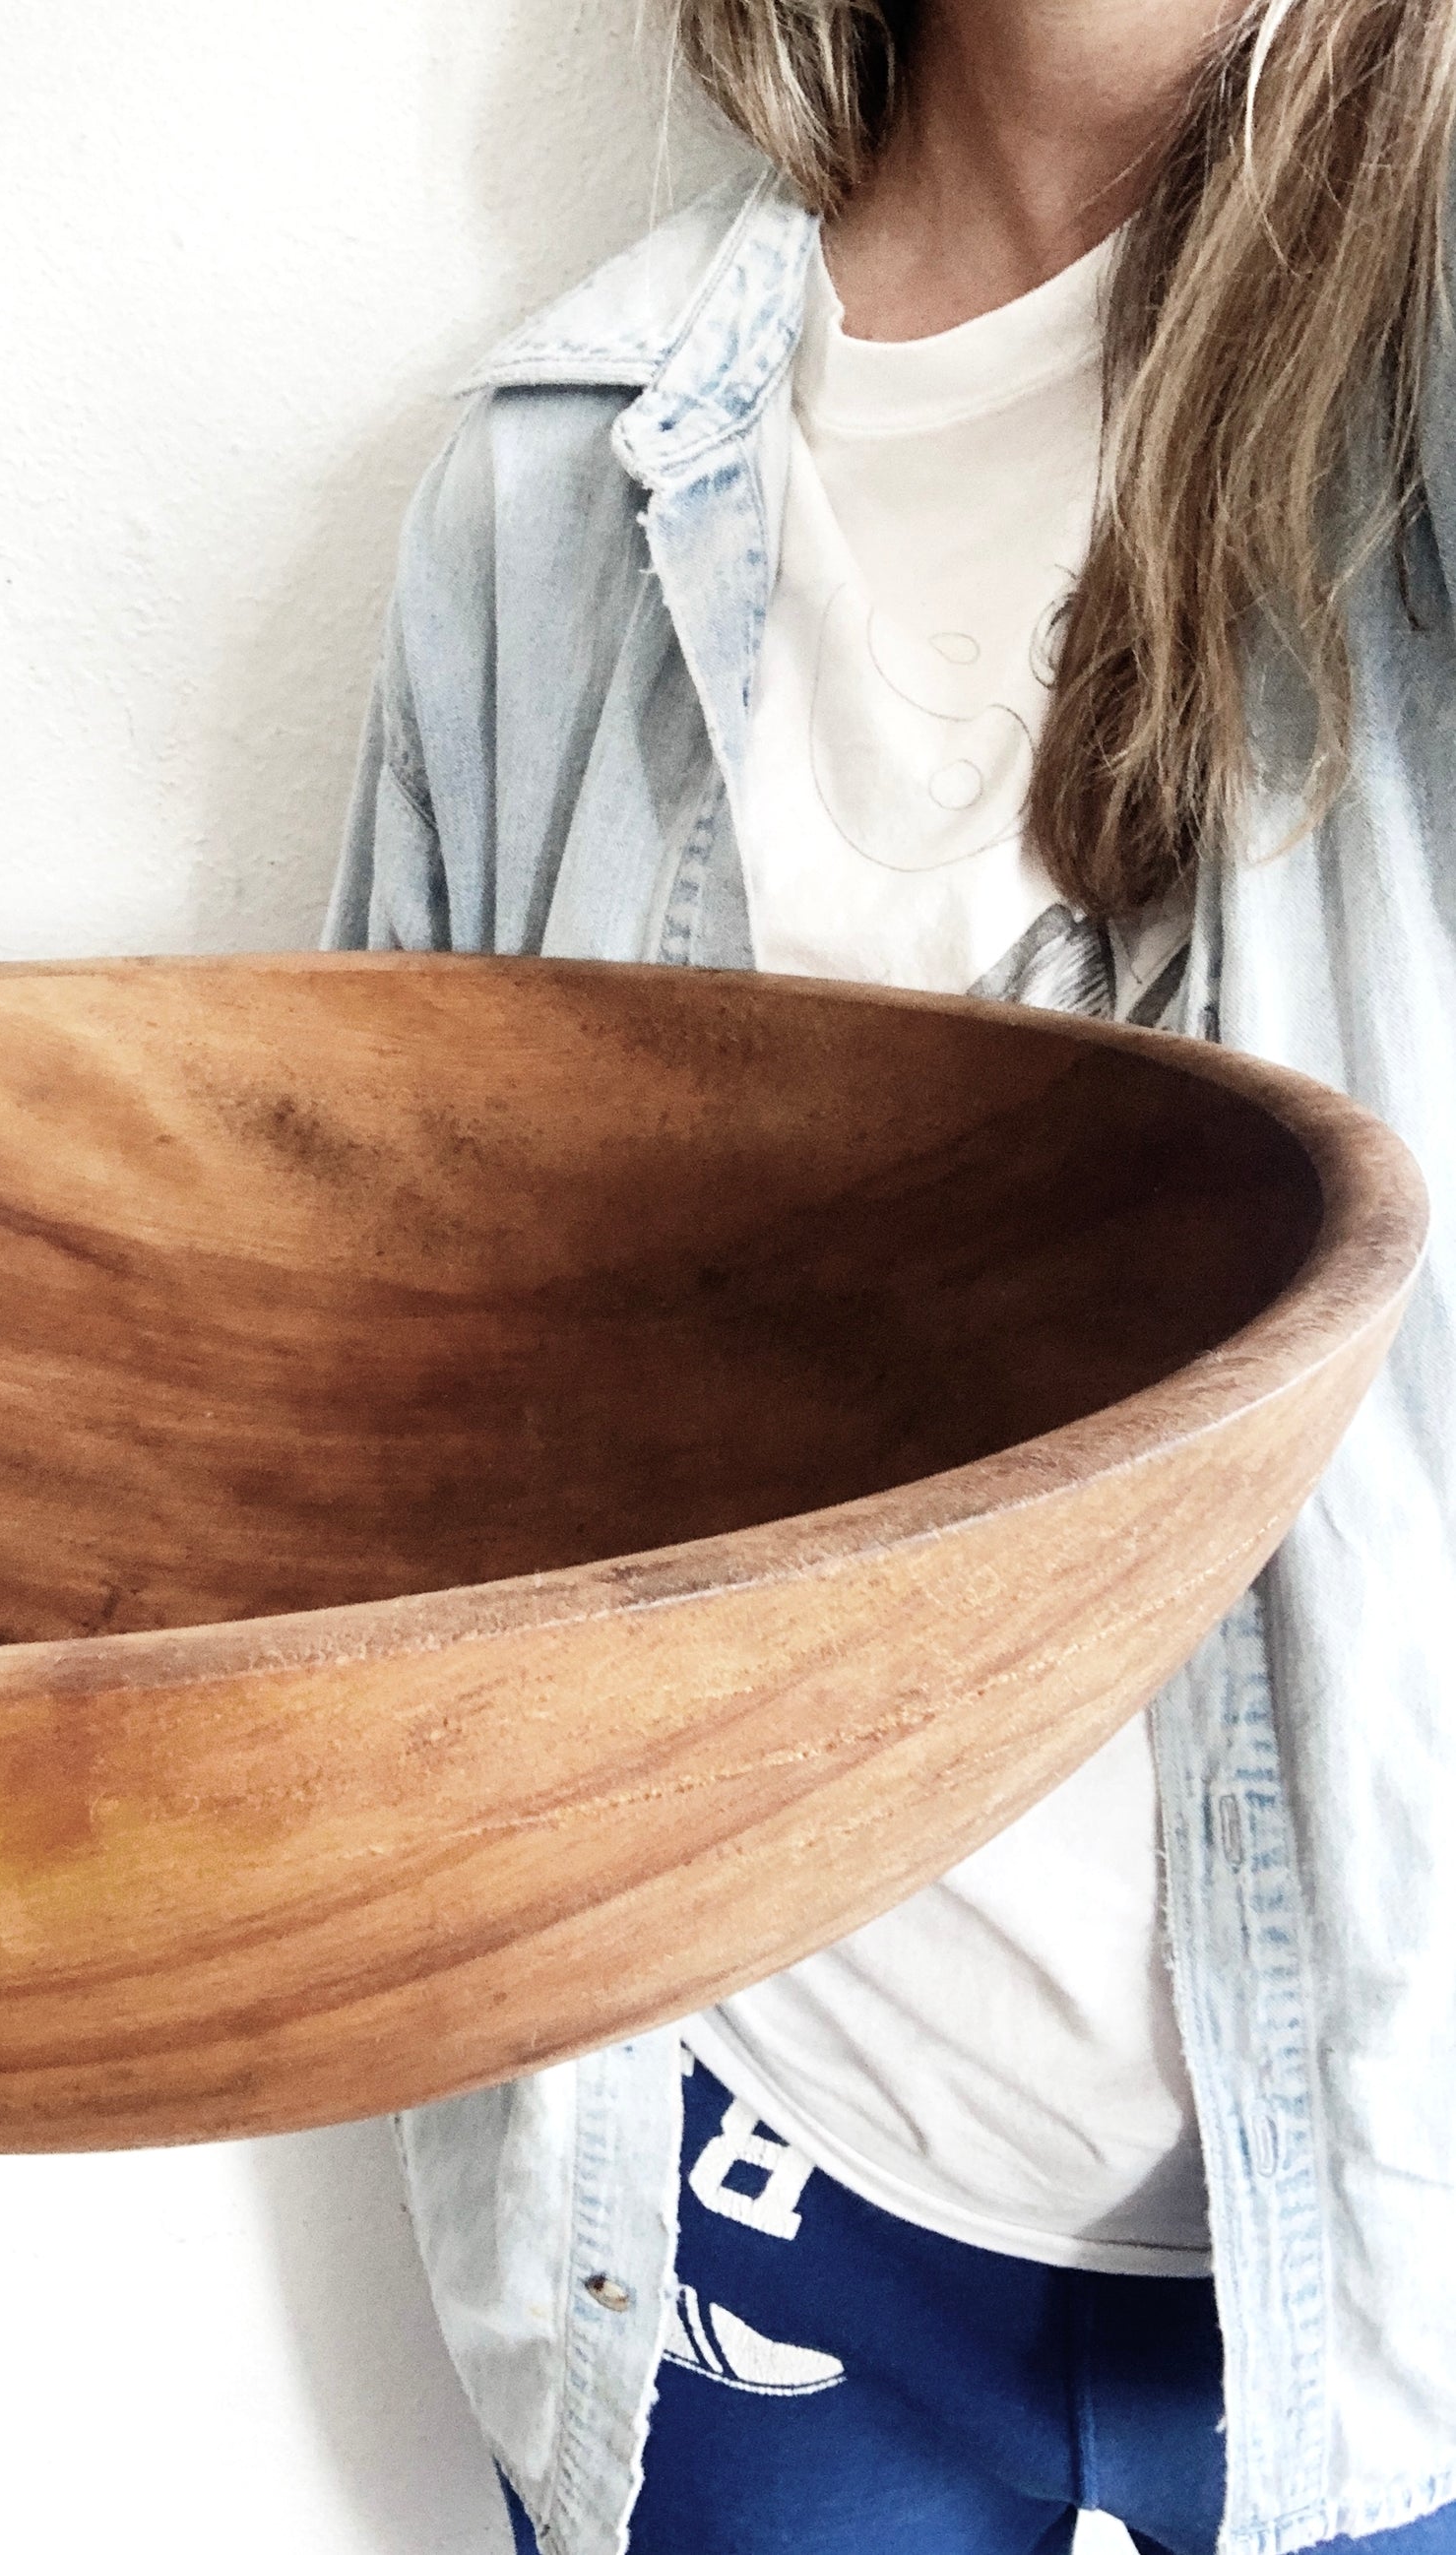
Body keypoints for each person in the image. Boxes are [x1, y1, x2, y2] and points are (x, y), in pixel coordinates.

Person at [322, 3, 1456, 2549]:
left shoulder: (1413, 397)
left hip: (1400, 2223)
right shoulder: (553, 482)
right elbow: (398, 1367)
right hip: (732, 2151)